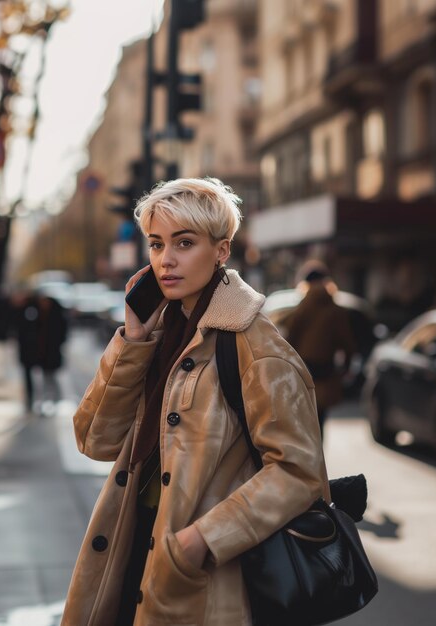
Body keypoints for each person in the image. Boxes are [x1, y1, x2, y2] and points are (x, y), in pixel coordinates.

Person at [61, 178, 331, 626]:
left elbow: (300, 472)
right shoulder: (157, 332)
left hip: (200, 578)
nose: (166, 260)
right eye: (157, 244)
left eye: (184, 243)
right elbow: (95, 440)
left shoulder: (255, 346)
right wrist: (132, 339)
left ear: (221, 251)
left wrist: (203, 539)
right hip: (133, 554)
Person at [284, 260, 356, 438]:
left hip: (303, 369)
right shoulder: (336, 310)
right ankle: (318, 459)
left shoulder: (302, 308)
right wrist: (346, 366)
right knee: (320, 420)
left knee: (303, 422)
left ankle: (307, 461)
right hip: (326, 370)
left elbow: (289, 339)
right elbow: (347, 342)